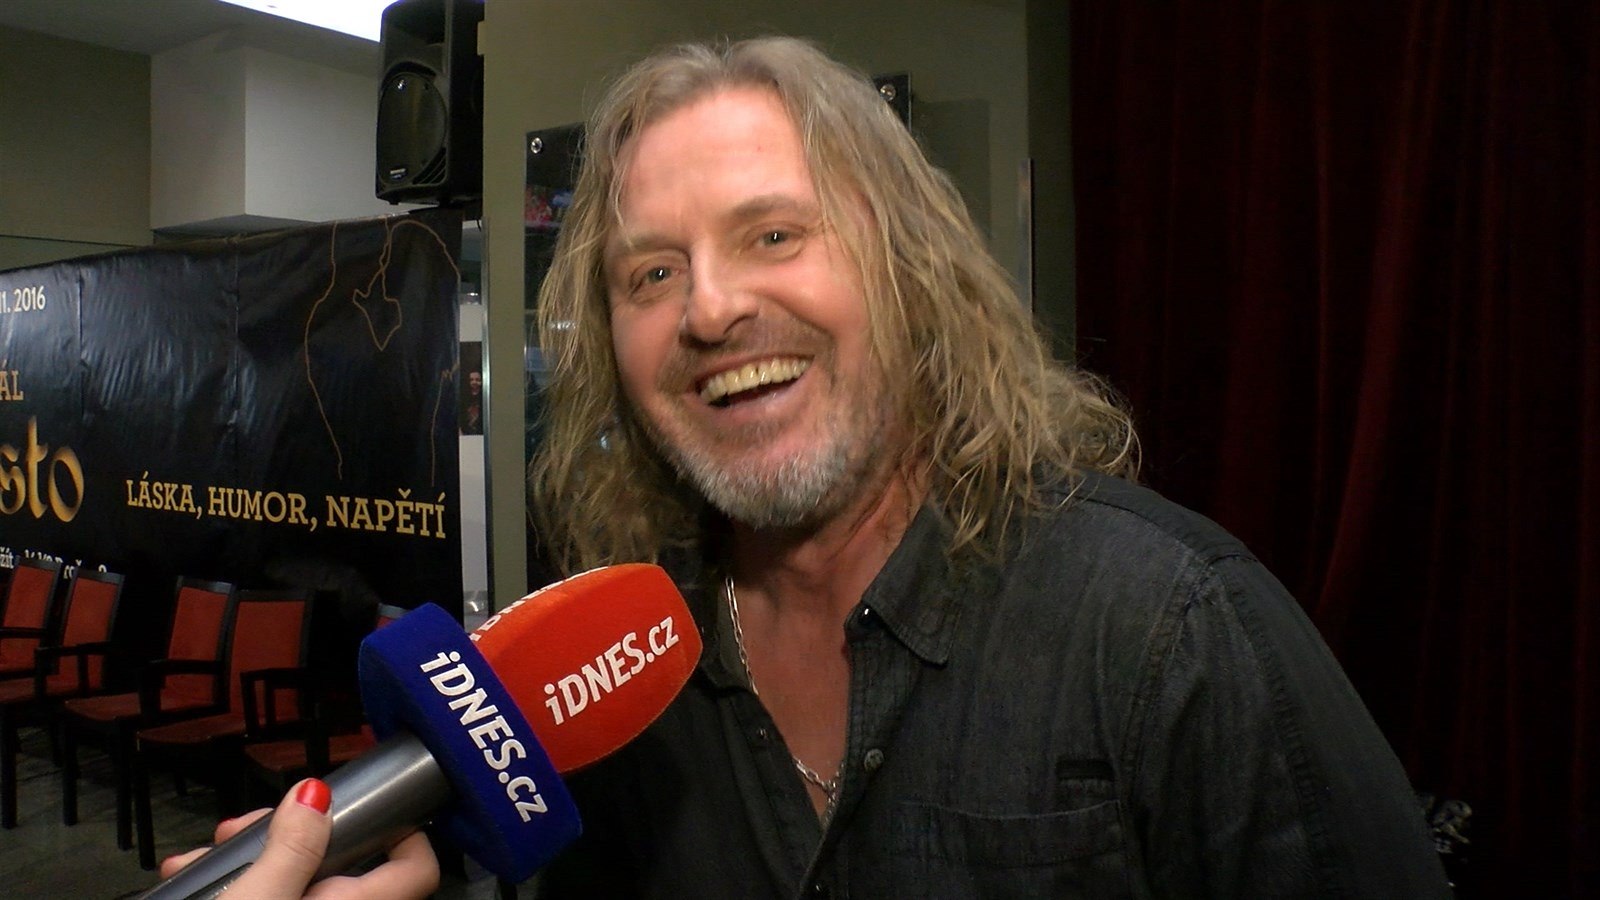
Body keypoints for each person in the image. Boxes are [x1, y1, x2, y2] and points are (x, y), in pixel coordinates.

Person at [170, 36, 1451, 898]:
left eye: (774, 234)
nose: (711, 308)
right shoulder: (618, 670)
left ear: (910, 271)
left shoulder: (1173, 629)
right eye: (651, 272)